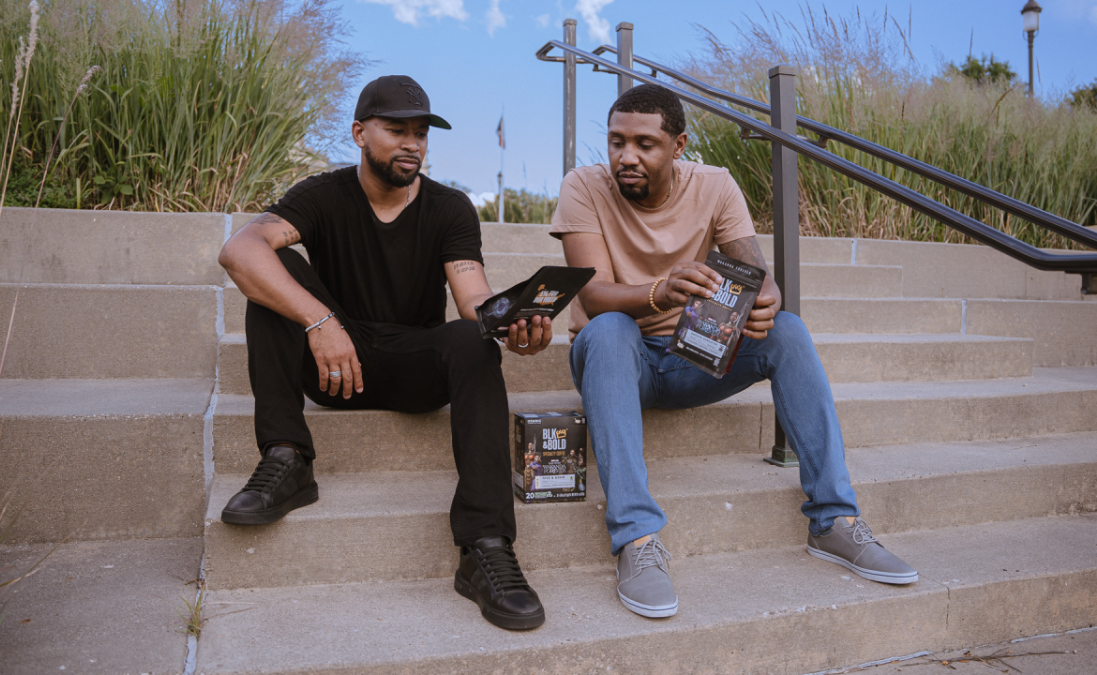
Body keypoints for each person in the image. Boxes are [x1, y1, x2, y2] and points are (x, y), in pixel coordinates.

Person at [550, 83, 917, 620]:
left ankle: (834, 522)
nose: (626, 156)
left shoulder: (715, 186)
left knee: (788, 330)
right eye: (616, 141)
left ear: (678, 146)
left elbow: (758, 276)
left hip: (694, 354)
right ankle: (637, 541)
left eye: (644, 144)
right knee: (606, 328)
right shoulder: (583, 186)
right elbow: (593, 293)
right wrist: (661, 290)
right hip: (616, 361)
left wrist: (765, 301)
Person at [217, 75, 552, 631]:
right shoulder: (321, 195)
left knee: (472, 340)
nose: (412, 143)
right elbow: (239, 251)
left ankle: (484, 546)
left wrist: (510, 322)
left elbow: (472, 299)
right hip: (333, 366)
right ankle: (287, 459)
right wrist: (319, 321)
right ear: (359, 133)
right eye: (396, 129)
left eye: (420, 132)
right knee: (272, 278)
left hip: (413, 369)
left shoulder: (449, 208)